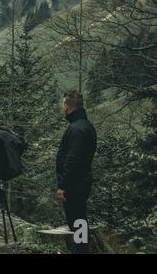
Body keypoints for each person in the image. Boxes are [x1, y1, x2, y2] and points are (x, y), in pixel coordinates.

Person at [56, 91, 97, 254]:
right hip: (82, 181)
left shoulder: (76, 129)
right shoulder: (86, 126)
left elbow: (72, 159)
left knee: (77, 221)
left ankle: (80, 251)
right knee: (79, 220)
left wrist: (63, 185)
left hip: (74, 184)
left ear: (66, 106)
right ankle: (80, 249)